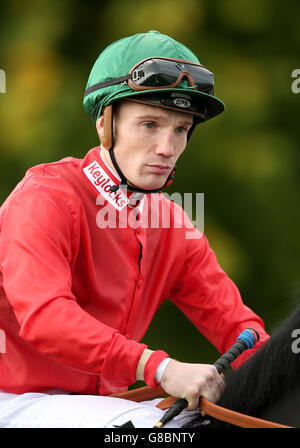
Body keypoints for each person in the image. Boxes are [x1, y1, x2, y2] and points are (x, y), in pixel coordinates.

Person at [0, 30, 269, 428]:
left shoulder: (173, 223)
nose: (167, 147)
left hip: (97, 407)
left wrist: (279, 372)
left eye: (180, 129)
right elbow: (47, 319)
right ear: (105, 125)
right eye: (149, 125)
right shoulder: (45, 197)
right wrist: (160, 368)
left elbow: (238, 327)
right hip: (14, 400)